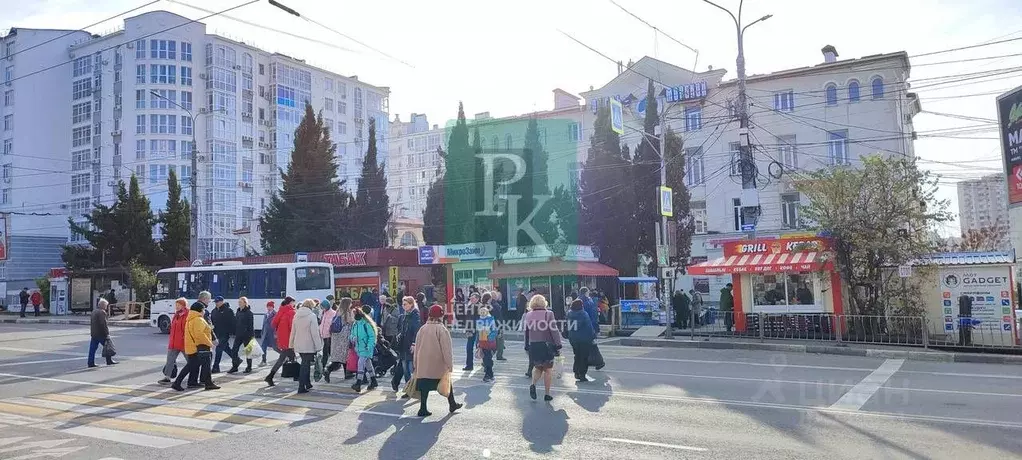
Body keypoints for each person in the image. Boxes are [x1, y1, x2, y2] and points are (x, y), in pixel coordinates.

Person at [413, 305, 463, 417]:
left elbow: (417, 347)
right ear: (441, 316)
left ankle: (423, 408)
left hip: (423, 363)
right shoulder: (441, 329)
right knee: (446, 382)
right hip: (437, 363)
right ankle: (452, 404)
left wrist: (415, 362)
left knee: (424, 386)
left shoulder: (422, 328)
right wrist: (450, 364)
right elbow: (447, 349)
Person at [172, 301, 219, 391]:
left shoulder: (190, 319)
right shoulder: (198, 319)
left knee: (190, 366)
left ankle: (177, 383)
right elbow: (199, 334)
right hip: (201, 347)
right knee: (206, 365)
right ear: (200, 310)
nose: (204, 311)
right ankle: (208, 383)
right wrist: (210, 343)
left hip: (193, 347)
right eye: (204, 309)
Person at [524, 294, 561, 401]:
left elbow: (526, 332)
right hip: (546, 345)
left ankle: (533, 384)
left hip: (534, 345)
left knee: (538, 367)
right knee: (548, 370)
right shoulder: (548, 314)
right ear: (544, 303)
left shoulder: (528, 315)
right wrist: (558, 344)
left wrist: (526, 345)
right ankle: (547, 394)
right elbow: (554, 330)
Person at [290, 299, 323, 394]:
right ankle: (301, 387)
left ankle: (308, 383)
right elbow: (315, 333)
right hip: (309, 345)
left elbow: (293, 331)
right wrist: (318, 346)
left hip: (299, 344)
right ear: (310, 306)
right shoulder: (312, 316)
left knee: (306, 364)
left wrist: (291, 344)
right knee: (305, 365)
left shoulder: (296, 315)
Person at [265, 296, 297, 387]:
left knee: (291, 357)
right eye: (293, 303)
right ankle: (270, 376)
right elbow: (292, 327)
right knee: (283, 358)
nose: (294, 304)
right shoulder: (291, 312)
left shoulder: (281, 311)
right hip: (289, 339)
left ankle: (296, 377)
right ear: (290, 303)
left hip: (281, 338)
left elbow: (273, 323)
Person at [158, 298, 189, 384]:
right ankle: (167, 377)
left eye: (178, 305)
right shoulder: (176, 315)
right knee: (170, 360)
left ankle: (194, 376)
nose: (176, 307)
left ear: (183, 305)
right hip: (174, 342)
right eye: (176, 305)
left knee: (190, 361)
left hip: (183, 342)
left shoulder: (188, 314)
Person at [394, 296, 421, 393]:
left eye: (405, 304)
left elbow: (416, 330)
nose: (403, 306)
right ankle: (408, 388)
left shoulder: (415, 315)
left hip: (410, 345)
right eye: (402, 304)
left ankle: (416, 388)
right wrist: (399, 335)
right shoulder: (404, 315)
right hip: (403, 345)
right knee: (405, 369)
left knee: (411, 368)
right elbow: (402, 329)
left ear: (411, 304)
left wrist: (414, 343)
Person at [566, 298, 596, 382]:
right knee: (584, 357)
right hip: (584, 339)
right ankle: (582, 374)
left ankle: (576, 372)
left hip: (573, 339)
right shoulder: (584, 314)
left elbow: (568, 326)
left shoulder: (569, 314)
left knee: (577, 355)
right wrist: (593, 336)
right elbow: (589, 327)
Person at [325, 298, 355, 383]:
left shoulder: (338, 311)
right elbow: (351, 321)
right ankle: (345, 373)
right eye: (350, 303)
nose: (351, 304)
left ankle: (329, 370)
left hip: (336, 336)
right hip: (344, 336)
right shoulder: (348, 312)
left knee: (338, 357)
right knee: (346, 355)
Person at [209, 296, 241, 374]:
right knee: (226, 348)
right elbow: (212, 321)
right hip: (217, 333)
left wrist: (234, 332)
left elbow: (233, 322)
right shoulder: (214, 311)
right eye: (215, 302)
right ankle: (237, 359)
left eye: (218, 302)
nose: (216, 303)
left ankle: (216, 367)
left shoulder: (228, 310)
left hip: (225, 333)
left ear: (222, 301)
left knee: (219, 349)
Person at [350, 307, 378, 392]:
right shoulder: (355, 324)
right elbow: (351, 334)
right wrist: (352, 338)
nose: (351, 316)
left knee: (360, 363)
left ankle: (358, 382)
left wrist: (369, 346)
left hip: (366, 348)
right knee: (368, 364)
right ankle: (373, 381)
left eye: (352, 314)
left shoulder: (366, 324)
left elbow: (372, 336)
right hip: (359, 348)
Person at [88, 298, 117, 367]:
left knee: (92, 349)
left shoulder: (94, 311)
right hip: (101, 334)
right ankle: (109, 361)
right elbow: (103, 324)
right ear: (103, 305)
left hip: (94, 333)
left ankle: (90, 362)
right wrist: (107, 334)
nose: (106, 307)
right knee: (108, 346)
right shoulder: (102, 312)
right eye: (106, 305)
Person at [232, 297, 255, 374]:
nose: (239, 304)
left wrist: (252, 336)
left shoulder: (249, 313)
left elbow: (251, 326)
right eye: (239, 302)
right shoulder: (238, 312)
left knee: (248, 352)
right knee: (234, 350)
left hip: (247, 335)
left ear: (245, 303)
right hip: (238, 334)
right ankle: (235, 366)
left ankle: (249, 367)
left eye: (241, 302)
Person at [475, 305, 498, 382]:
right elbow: (478, 333)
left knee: (487, 358)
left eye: (484, 312)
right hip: (482, 342)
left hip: (489, 342)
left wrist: (489, 337)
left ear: (487, 312)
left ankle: (487, 375)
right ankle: (490, 374)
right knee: (486, 359)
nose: (482, 313)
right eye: (481, 312)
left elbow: (494, 331)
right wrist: (477, 342)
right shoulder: (479, 321)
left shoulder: (491, 320)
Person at [463, 292, 481, 371]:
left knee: (481, 347)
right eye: (471, 298)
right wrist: (467, 330)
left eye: (473, 298)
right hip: (471, 330)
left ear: (477, 299)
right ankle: (469, 365)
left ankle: (485, 364)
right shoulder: (470, 306)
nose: (471, 299)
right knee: (469, 348)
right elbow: (467, 319)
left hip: (478, 330)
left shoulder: (481, 307)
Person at [319, 295, 337, 368]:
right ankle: (333, 364)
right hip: (324, 335)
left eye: (323, 307)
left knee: (327, 351)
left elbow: (332, 324)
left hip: (329, 335)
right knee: (328, 351)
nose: (322, 309)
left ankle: (327, 365)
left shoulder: (333, 313)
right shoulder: (324, 313)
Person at [490, 291, 507, 361]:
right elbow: (499, 317)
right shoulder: (496, 305)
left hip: (491, 326)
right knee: (499, 342)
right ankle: (498, 355)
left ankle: (488, 357)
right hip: (497, 325)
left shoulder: (489, 305)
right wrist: (500, 327)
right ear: (495, 297)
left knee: (493, 342)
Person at [259, 301, 277, 367]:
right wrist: (262, 332)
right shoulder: (266, 314)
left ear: (273, 307)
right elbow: (264, 324)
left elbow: (276, 325)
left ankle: (284, 355)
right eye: (268, 306)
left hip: (272, 334)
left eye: (270, 306)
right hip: (265, 334)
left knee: (275, 348)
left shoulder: (275, 314)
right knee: (263, 348)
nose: (269, 308)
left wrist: (276, 333)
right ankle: (264, 361)